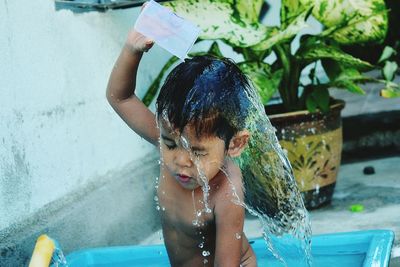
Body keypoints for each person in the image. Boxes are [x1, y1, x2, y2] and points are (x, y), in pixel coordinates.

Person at [106, 24, 257, 266]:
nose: (181, 160)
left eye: (198, 152)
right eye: (169, 144)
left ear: (235, 144)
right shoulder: (172, 137)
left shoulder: (227, 191)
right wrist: (132, 48)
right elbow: (120, 98)